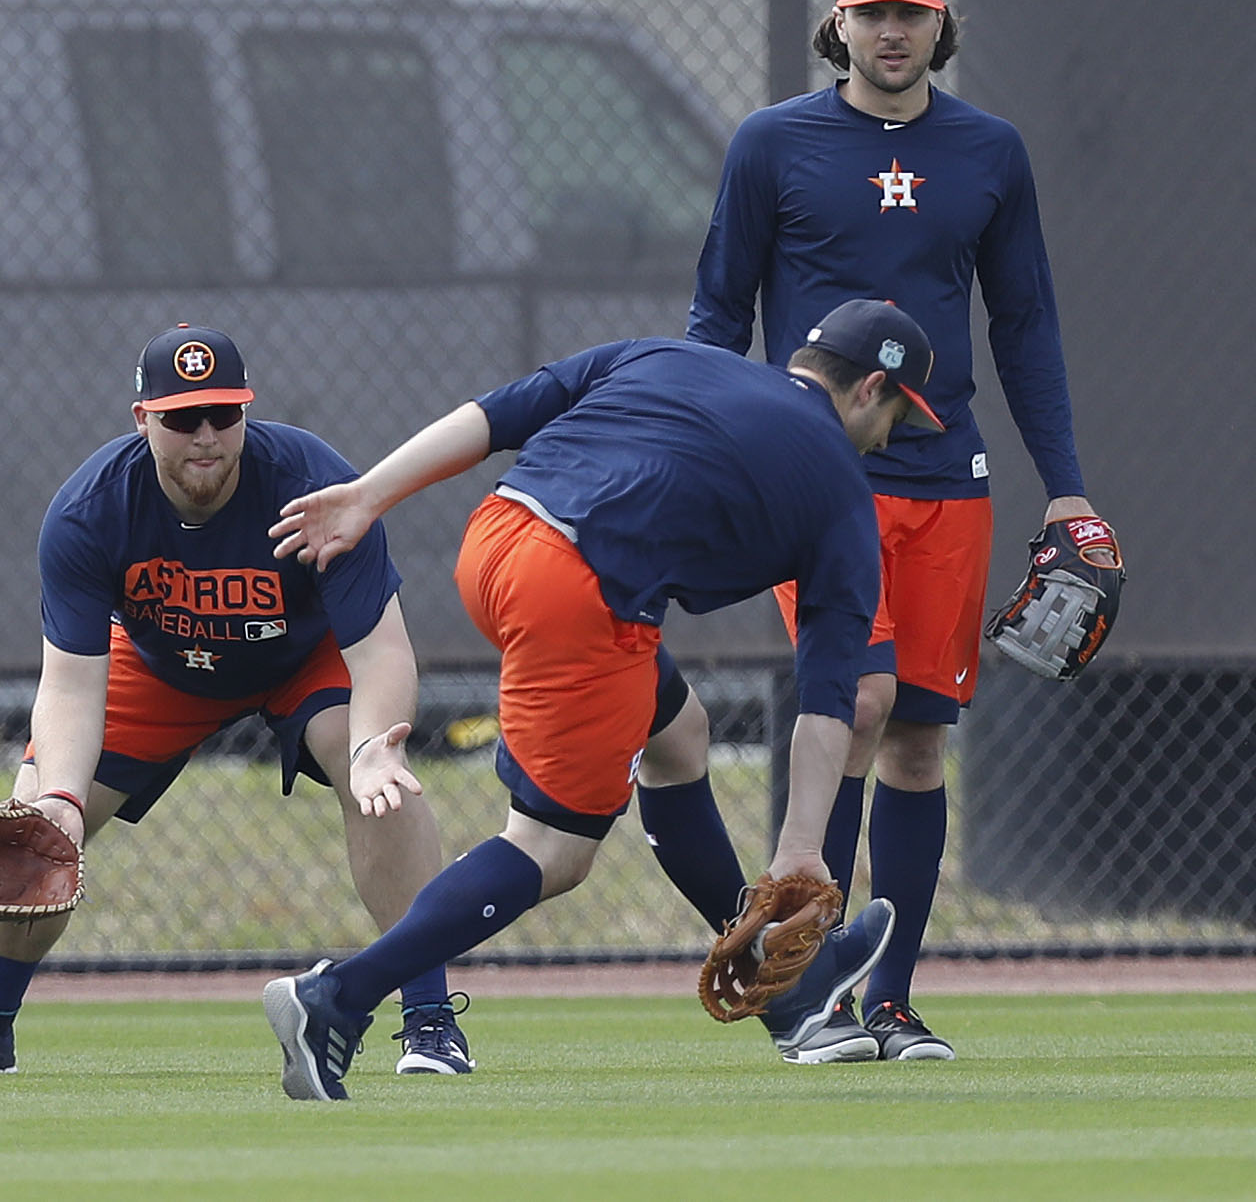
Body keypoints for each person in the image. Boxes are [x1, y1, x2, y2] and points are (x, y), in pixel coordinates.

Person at [258, 298, 943, 1100]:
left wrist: (369, 493)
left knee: (678, 730)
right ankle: (335, 999)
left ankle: (792, 995)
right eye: (898, 412)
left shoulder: (670, 356)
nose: (893, 437)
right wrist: (799, 850)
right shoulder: (839, 491)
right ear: (868, 389)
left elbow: (497, 414)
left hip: (499, 538)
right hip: (581, 590)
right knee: (553, 849)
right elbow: (833, 697)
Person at [689, 0, 1108, 1061]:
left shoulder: (988, 152)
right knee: (857, 703)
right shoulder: (770, 143)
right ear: (837, 24)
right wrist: (712, 449)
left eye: (908, 11)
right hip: (810, 475)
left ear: (938, 22)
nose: (888, 30)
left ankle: (888, 996)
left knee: (917, 740)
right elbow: (715, 316)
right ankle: (807, 975)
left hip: (942, 476)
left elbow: (1022, 326)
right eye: (869, 11)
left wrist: (1064, 487)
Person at [0, 324, 472, 1078]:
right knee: (34, 816)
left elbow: (381, 648)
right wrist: (59, 795)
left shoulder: (312, 481)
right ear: (142, 419)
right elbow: (68, 682)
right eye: (181, 416)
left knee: (381, 785)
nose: (205, 435)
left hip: (304, 654)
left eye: (223, 414)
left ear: (246, 414)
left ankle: (428, 1021)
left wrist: (374, 746)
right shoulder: (90, 510)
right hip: (164, 665)